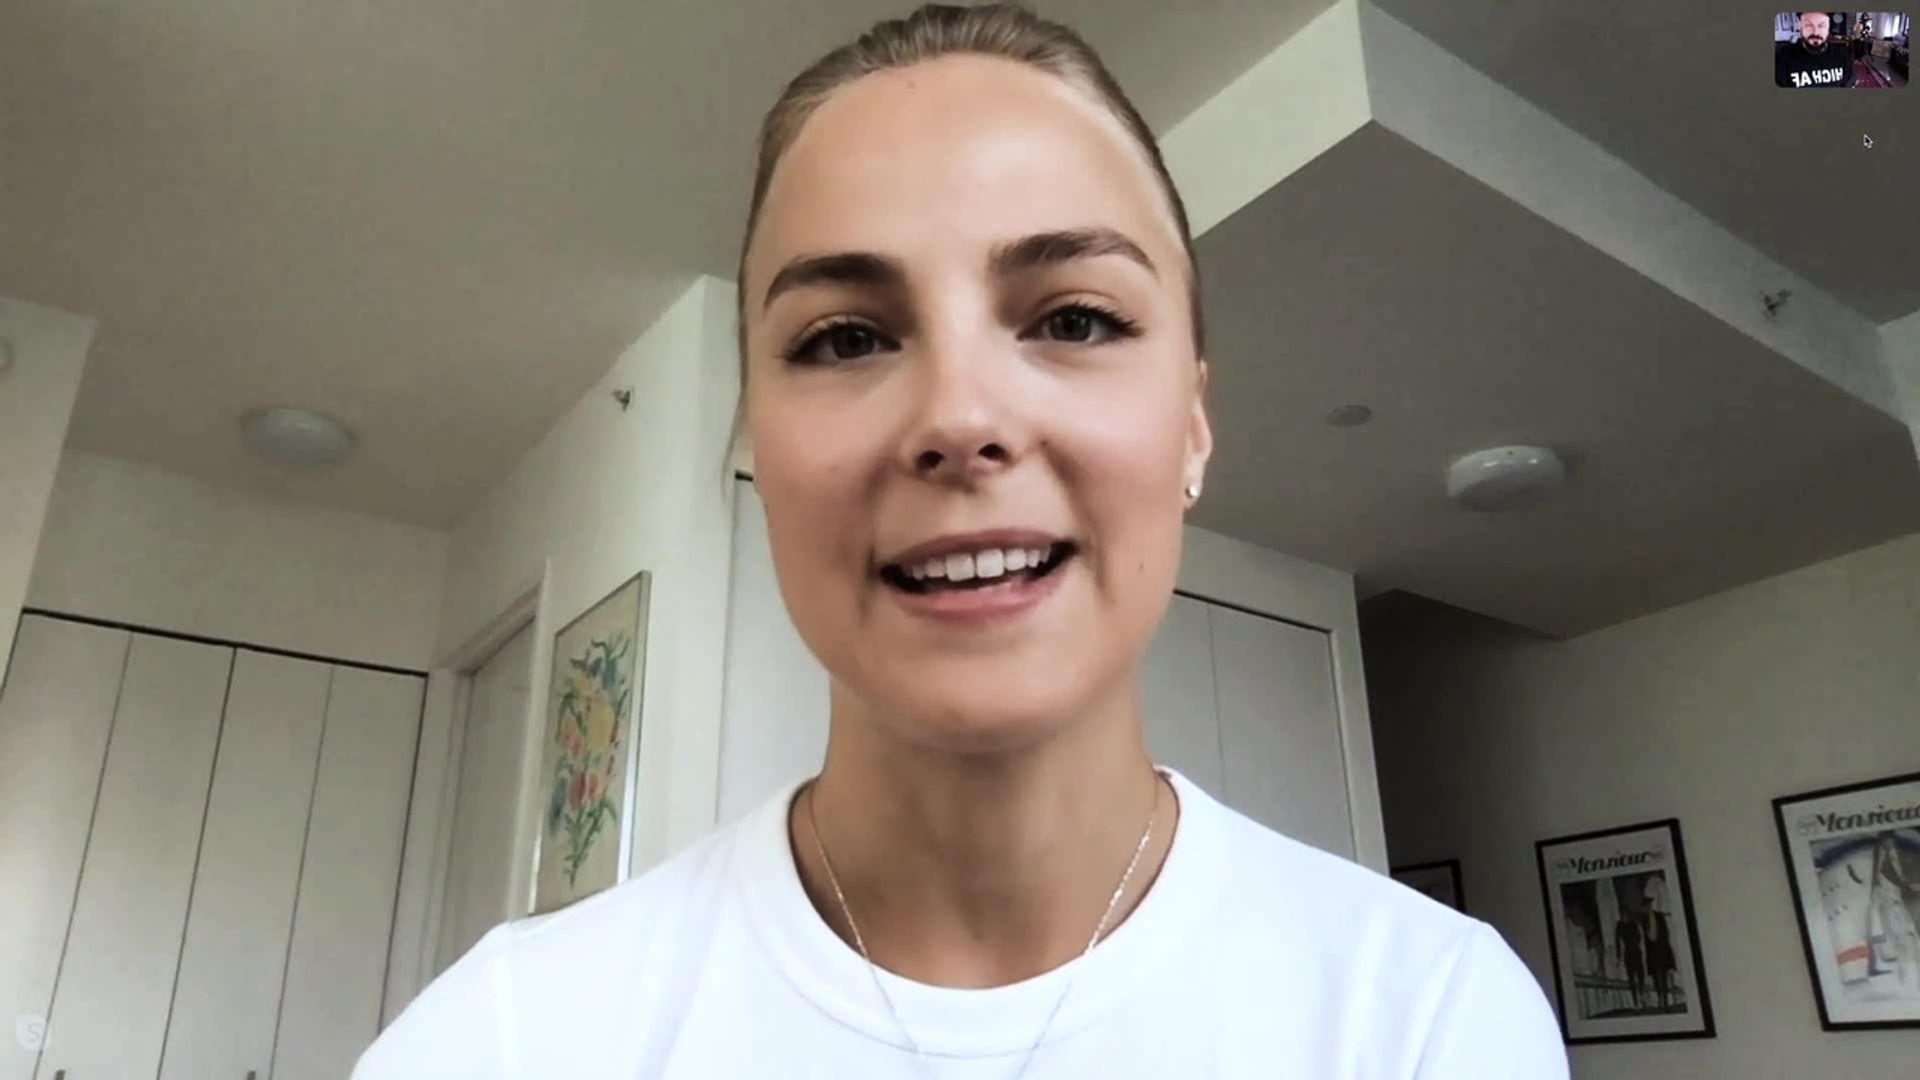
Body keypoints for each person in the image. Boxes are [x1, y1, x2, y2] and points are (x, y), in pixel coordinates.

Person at [353, 5, 1568, 1076]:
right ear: (755, 446)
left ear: (1193, 426)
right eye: (845, 338)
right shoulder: (505, 1041)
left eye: (1075, 320)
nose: (960, 417)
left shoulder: (1424, 1017)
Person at [1778, 10, 1856, 86]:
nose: (1815, 32)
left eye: (1821, 25)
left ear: (1828, 26)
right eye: (1808, 25)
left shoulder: (1841, 54)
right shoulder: (1782, 57)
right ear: (1800, 25)